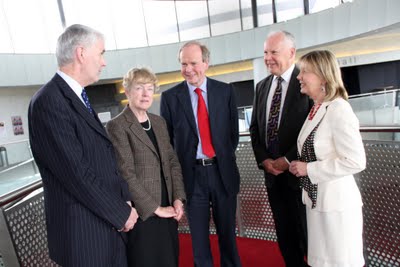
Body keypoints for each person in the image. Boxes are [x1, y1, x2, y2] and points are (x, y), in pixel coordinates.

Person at [28, 24, 138, 267]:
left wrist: (124, 199)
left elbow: (102, 157)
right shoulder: (49, 102)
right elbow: (75, 173)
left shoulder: (78, 97)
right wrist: (121, 213)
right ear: (81, 53)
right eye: (101, 53)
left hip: (106, 225)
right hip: (84, 236)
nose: (104, 62)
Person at [160, 41, 241, 267]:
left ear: (206, 63)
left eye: (193, 63)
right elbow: (167, 143)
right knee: (199, 243)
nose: (188, 69)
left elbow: (232, 135)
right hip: (191, 178)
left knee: (228, 238)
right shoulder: (170, 98)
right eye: (183, 64)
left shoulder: (225, 92)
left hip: (222, 173)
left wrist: (218, 159)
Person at [289, 50, 366, 267]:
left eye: (305, 71)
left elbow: (356, 161)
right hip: (318, 204)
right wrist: (303, 166)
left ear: (323, 77)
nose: (299, 77)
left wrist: (309, 169)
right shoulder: (317, 108)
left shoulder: (339, 109)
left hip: (337, 208)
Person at [106, 67, 186, 267]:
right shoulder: (118, 126)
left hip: (168, 207)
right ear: (127, 91)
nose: (145, 94)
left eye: (149, 88)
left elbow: (172, 162)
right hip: (143, 213)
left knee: (170, 260)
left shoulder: (159, 122)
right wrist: (155, 208)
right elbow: (126, 173)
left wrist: (178, 198)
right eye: (139, 88)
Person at [249, 31, 312, 267]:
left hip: (302, 177)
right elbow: (255, 129)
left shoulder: (306, 80)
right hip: (273, 179)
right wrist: (264, 160)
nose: (268, 58)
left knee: (309, 239)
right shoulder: (262, 86)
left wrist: (287, 160)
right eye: (265, 52)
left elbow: (312, 129)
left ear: (291, 52)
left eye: (273, 52)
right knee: (285, 239)